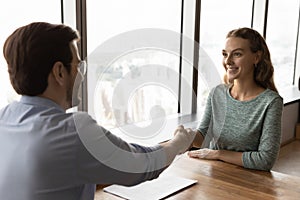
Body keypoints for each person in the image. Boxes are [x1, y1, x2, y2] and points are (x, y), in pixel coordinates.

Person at [0, 22, 196, 200]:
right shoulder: (73, 131)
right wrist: (180, 142)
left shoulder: (4, 118)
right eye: (79, 66)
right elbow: (144, 165)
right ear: (59, 72)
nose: (81, 76)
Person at [187, 27, 283, 171]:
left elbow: (265, 160)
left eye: (237, 54)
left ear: (256, 57)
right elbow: (202, 137)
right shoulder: (217, 94)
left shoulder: (270, 102)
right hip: (216, 178)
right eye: (225, 54)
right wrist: (185, 136)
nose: (228, 61)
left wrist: (218, 154)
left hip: (250, 183)